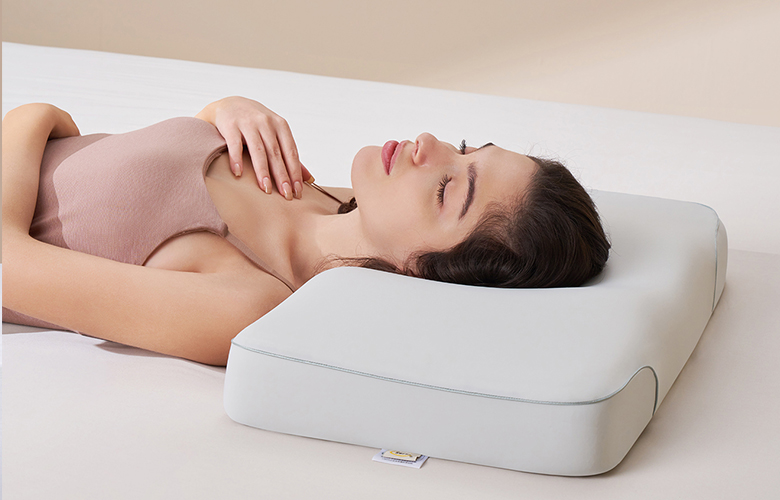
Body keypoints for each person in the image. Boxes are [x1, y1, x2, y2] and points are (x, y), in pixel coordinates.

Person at [2, 97, 610, 365]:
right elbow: (136, 182)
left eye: (449, 188)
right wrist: (224, 111)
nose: (428, 144)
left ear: (426, 272)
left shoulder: (244, 301)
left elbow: (9, 265)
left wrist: (35, 117)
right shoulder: (324, 196)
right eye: (465, 148)